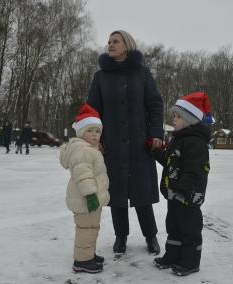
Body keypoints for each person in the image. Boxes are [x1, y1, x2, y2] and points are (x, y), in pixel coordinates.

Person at [87, 30, 163, 255]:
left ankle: (151, 236)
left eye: (115, 41)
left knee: (142, 195)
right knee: (117, 195)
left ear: (127, 45)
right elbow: (92, 112)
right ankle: (121, 237)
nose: (110, 44)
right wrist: (95, 139)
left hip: (139, 144)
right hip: (112, 145)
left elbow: (155, 106)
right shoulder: (100, 77)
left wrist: (156, 132)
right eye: (109, 41)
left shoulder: (142, 74)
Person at [152, 92, 212, 276]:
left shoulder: (195, 142)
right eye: (174, 116)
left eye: (178, 116)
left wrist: (182, 188)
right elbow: (172, 161)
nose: (174, 119)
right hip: (175, 195)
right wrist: (156, 153)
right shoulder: (178, 139)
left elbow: (195, 170)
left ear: (190, 120)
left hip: (188, 196)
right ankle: (172, 256)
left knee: (189, 230)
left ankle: (190, 262)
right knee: (174, 227)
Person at [59, 103, 110, 273]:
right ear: (81, 132)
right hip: (86, 199)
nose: (95, 135)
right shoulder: (83, 151)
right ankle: (82, 261)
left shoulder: (89, 149)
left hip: (90, 199)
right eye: (90, 131)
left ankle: (88, 254)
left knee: (91, 228)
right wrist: (90, 195)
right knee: (86, 229)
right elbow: (83, 176)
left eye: (98, 131)